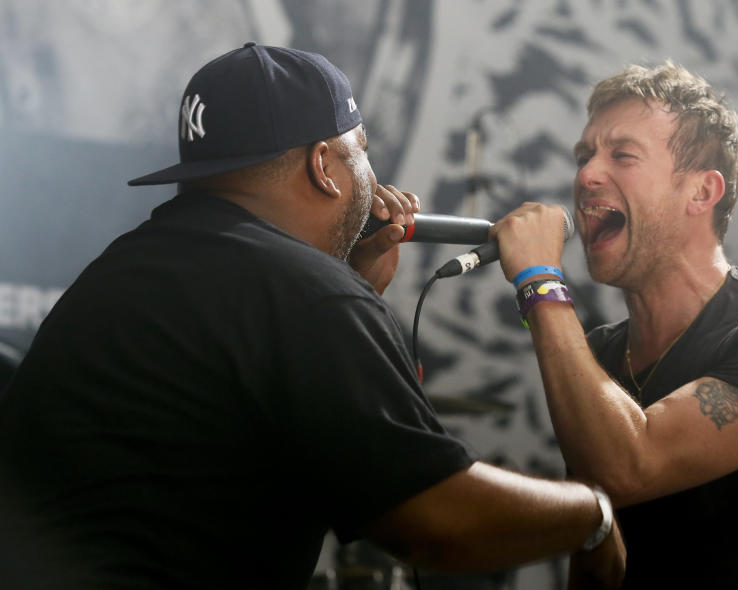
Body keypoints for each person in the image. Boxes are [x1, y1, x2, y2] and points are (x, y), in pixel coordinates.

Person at [0, 43, 624, 590]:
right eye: (362, 152)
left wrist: (345, 282)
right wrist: (592, 515)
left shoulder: (127, 268)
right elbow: (438, 525)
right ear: (325, 167)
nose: (375, 180)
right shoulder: (305, 296)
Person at [490, 62, 738, 588]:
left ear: (702, 193)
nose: (586, 175)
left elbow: (629, 466)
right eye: (584, 156)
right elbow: (599, 550)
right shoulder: (596, 356)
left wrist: (540, 282)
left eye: (621, 154)